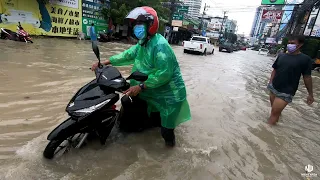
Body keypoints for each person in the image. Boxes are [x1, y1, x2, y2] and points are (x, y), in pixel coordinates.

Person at [91, 6, 191, 146]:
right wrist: (104, 62)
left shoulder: (160, 46)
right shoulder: (143, 43)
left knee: (166, 132)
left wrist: (142, 86)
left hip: (169, 95)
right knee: (127, 101)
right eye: (135, 24)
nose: (136, 28)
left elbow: (164, 74)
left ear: (151, 25)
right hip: (152, 89)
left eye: (140, 24)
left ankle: (169, 151)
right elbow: (127, 55)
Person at [267, 35, 314, 125]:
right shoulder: (281, 56)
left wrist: (310, 94)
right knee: (275, 111)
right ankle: (276, 124)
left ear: (300, 45)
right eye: (289, 43)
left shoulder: (305, 59)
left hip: (286, 91)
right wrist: (270, 82)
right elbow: (275, 70)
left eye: (292, 43)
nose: (289, 45)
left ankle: (266, 132)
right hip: (274, 87)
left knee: (273, 113)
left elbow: (307, 77)